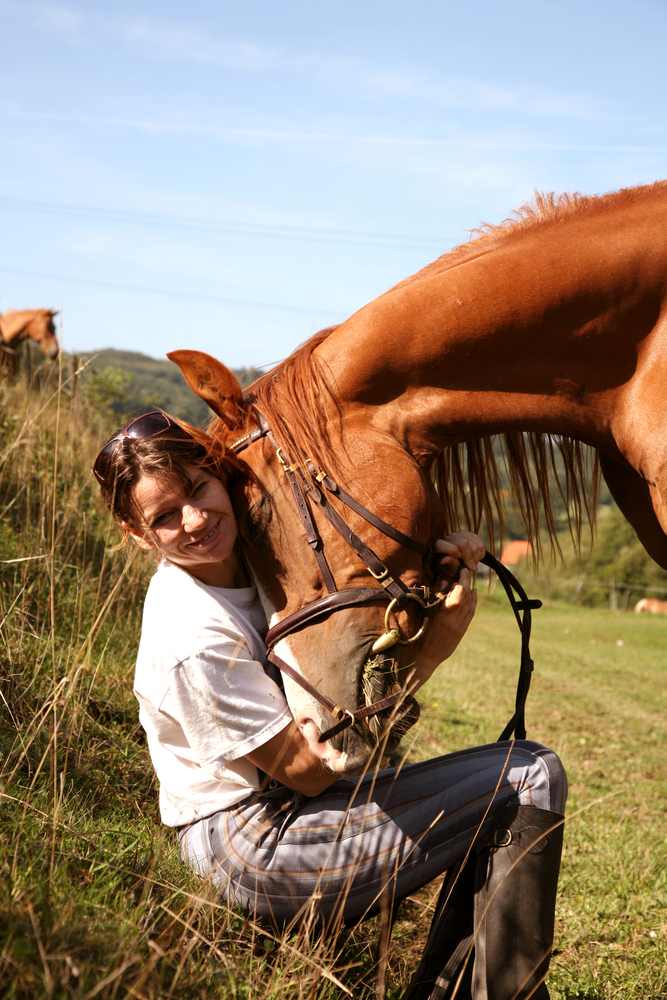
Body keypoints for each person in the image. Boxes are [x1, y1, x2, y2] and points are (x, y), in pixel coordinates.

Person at [94, 410, 567, 1000]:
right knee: (529, 774)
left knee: (506, 784)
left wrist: (436, 566)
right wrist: (431, 654)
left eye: (198, 490)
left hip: (292, 811)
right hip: (255, 844)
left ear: (220, 477)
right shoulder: (190, 635)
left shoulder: (258, 559)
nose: (194, 519)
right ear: (139, 536)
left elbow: (353, 633)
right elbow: (311, 772)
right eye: (164, 517)